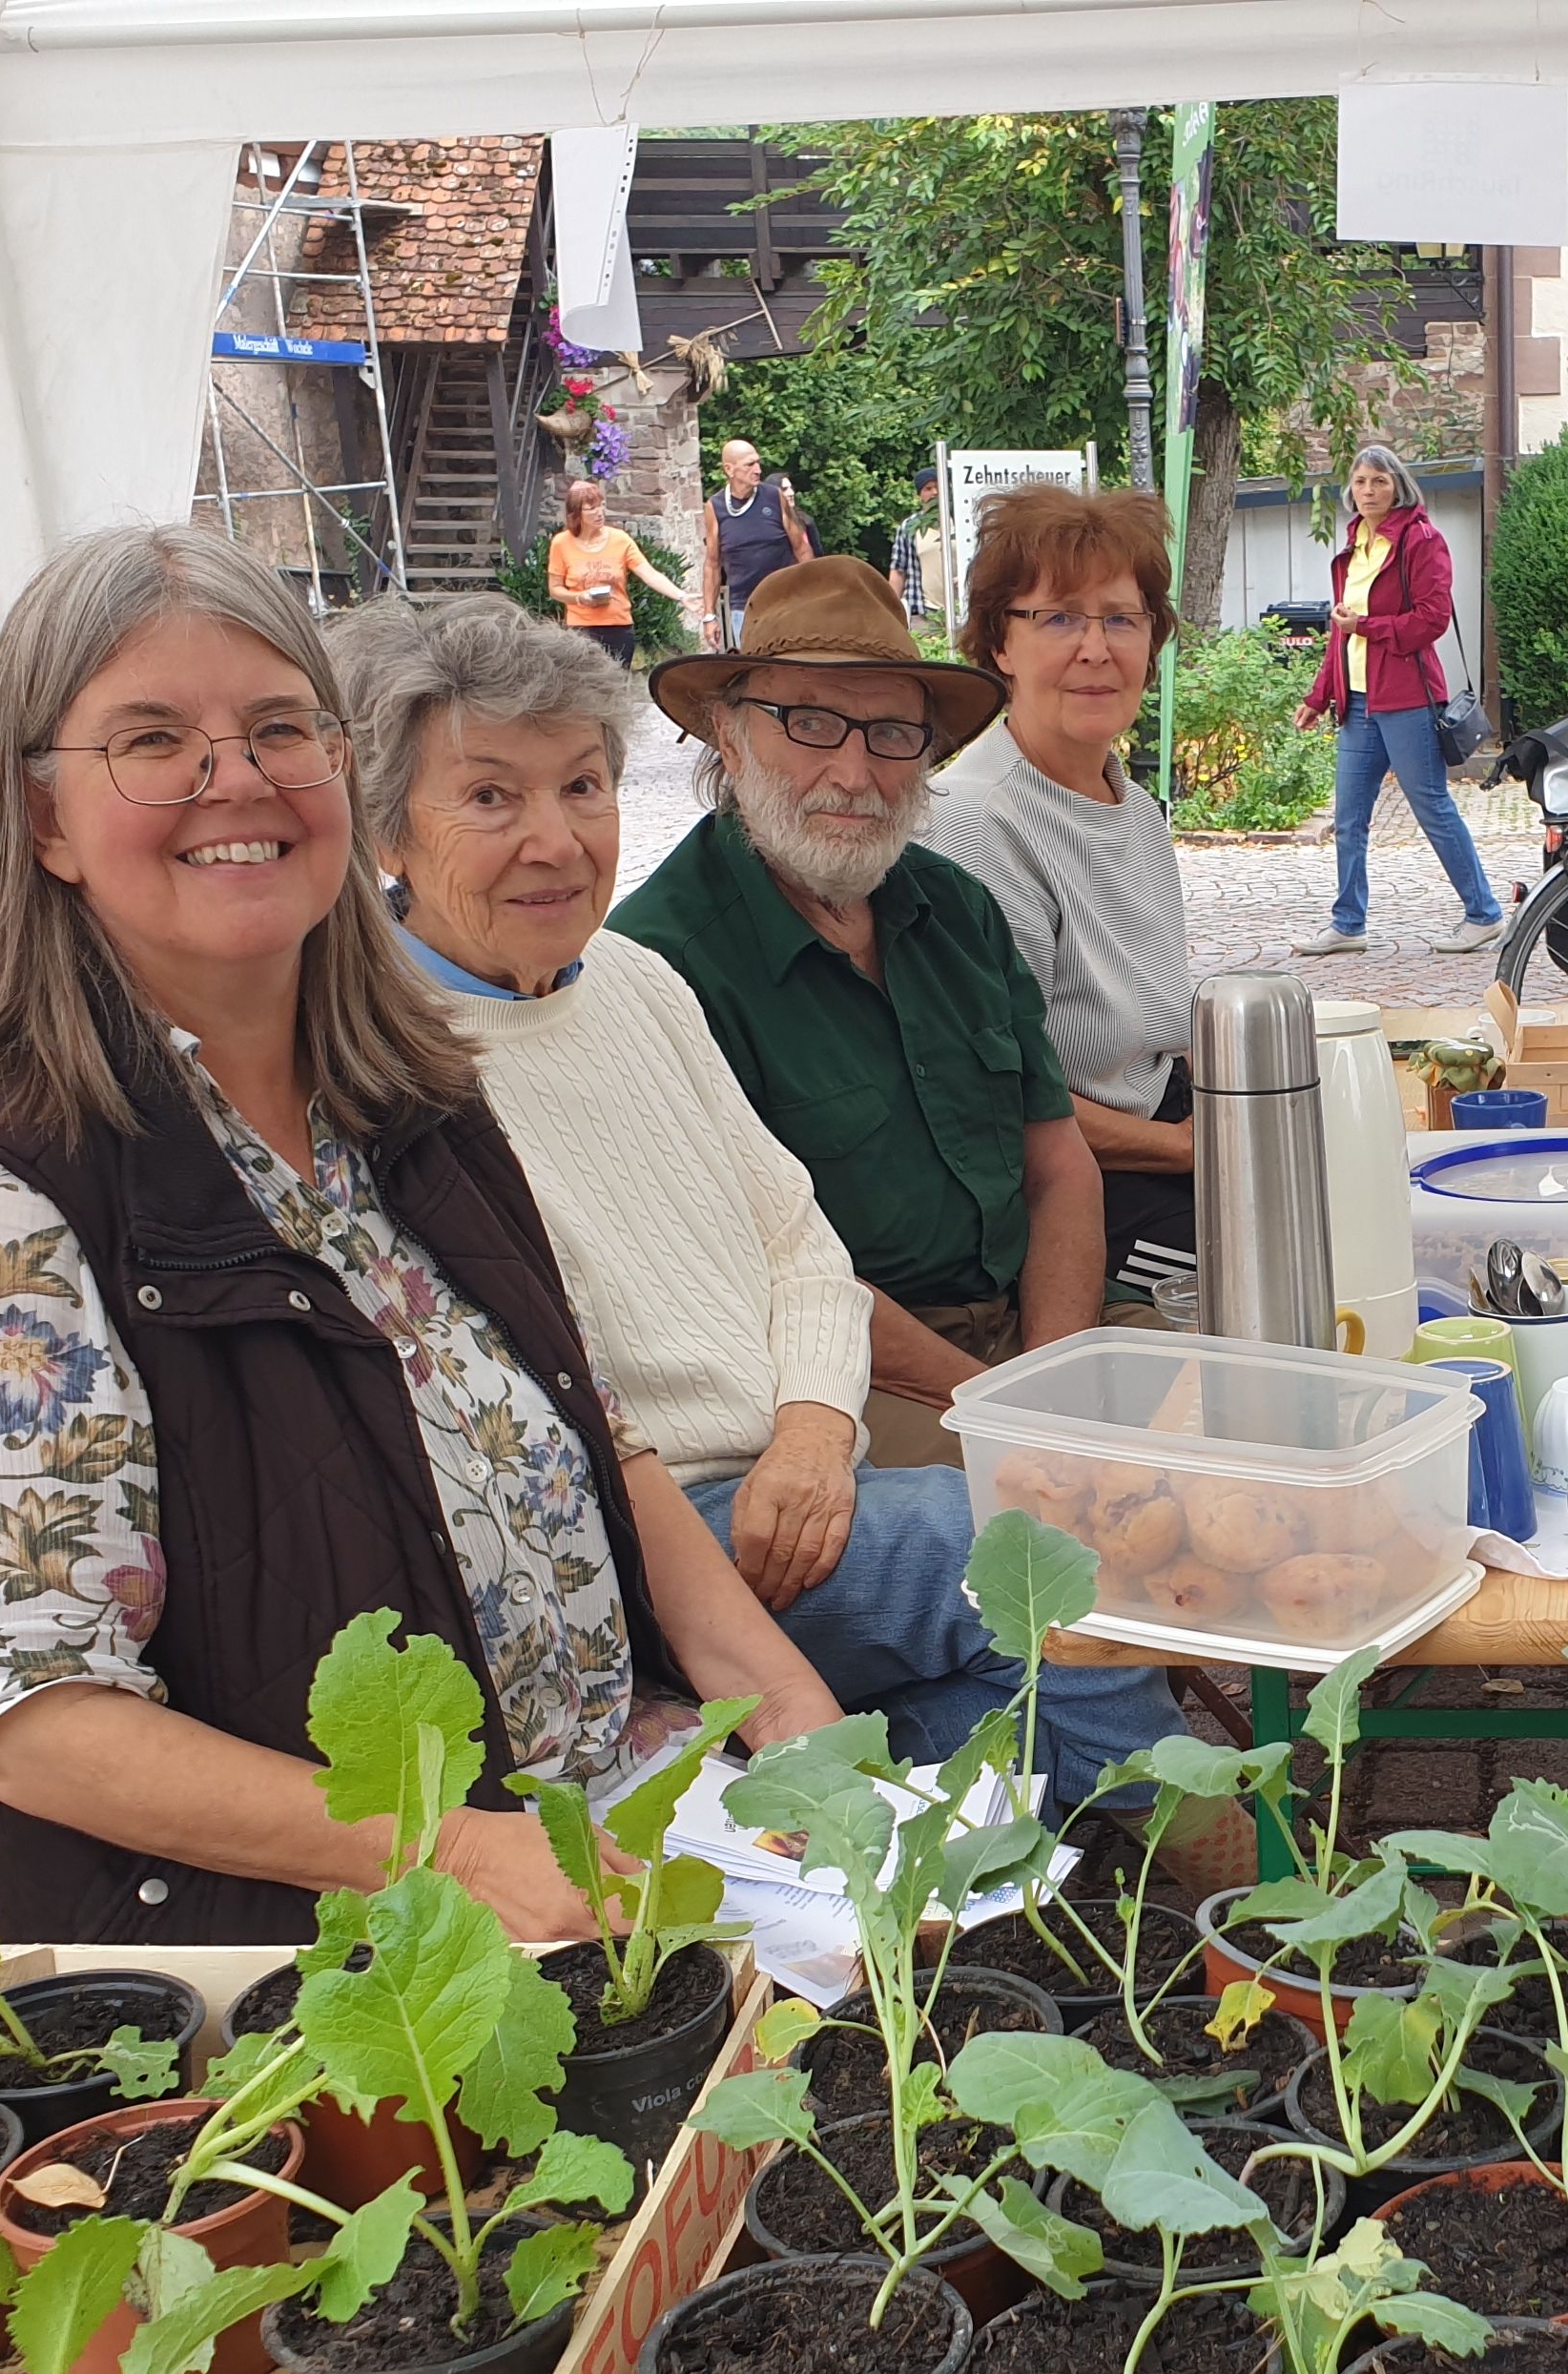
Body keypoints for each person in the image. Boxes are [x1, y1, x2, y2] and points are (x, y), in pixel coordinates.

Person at [0, 525, 845, 1945]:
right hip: (327, 1966)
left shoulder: (412, 1102)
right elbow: (32, 1718)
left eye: (276, 729)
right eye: (150, 739)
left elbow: (596, 1435)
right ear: (45, 819)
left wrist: (791, 1711)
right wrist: (453, 1854)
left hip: (617, 1836)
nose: (234, 781)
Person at [329, 593, 1182, 1804]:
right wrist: (834, 1439)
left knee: (1021, 1670)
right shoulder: (386, 1055)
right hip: (658, 1527)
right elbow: (537, 1385)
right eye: (488, 797)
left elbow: (796, 1239)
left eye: (582, 787)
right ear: (386, 832)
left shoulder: (627, 979)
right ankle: (1163, 1870)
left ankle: (896, 1850)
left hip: (800, 1464)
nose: (556, 841)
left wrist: (814, 1433)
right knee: (1058, 1554)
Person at [609, 555, 1142, 1471]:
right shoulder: (663, 963)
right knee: (1061, 1519)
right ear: (727, 738)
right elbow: (778, 1281)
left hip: (1028, 1333)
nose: (855, 773)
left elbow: (1058, 1166)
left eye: (894, 732)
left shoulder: (954, 908)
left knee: (1256, 1416)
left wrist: (1052, 1381)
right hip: (839, 1382)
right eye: (810, 724)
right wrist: (1020, 1422)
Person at [926, 484, 1201, 1308]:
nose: (1096, 648)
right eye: (1058, 618)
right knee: (1263, 1287)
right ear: (998, 643)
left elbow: (1153, 1027)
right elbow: (1000, 1101)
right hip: (1070, 1184)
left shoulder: (1134, 807)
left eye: (1122, 618)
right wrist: (1195, 1149)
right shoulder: (976, 822)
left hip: (1156, 1125)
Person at [1292, 444, 1504, 960]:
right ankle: (1348, 925)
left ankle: (1484, 915)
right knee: (1348, 817)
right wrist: (1319, 697)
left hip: (1409, 698)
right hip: (1359, 702)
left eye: (1379, 481)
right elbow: (1340, 637)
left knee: (1431, 807)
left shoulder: (1420, 540)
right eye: (1361, 482)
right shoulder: (1354, 546)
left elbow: (1431, 620)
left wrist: (1365, 624)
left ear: (1399, 486)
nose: (1369, 491)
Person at [544, 477, 687, 668]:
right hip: (580, 630)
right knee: (585, 688)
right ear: (576, 514)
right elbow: (555, 589)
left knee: (617, 688)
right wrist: (579, 597)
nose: (599, 513)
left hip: (619, 628)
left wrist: (682, 596)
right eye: (591, 508)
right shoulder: (561, 543)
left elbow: (650, 574)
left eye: (601, 506)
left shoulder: (620, 540)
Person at [699, 439, 815, 649]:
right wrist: (709, 616)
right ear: (729, 469)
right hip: (744, 608)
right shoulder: (715, 507)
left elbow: (802, 549)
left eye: (758, 463)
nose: (758, 470)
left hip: (785, 602)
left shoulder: (773, 497)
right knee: (754, 671)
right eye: (749, 464)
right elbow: (712, 564)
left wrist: (811, 595)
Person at [888, 468, 943, 627]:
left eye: (938, 487)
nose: (935, 492)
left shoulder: (962, 522)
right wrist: (892, 609)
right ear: (919, 495)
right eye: (928, 488)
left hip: (962, 610)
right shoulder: (909, 527)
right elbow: (898, 571)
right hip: (922, 611)